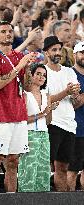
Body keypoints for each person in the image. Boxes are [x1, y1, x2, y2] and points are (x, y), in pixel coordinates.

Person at [0, 20, 37, 193]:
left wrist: (27, 68)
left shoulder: (19, 57)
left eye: (10, 31)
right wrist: (20, 65)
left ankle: (12, 199)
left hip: (18, 115)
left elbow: (27, 87)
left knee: (14, 161)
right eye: (3, 31)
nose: (8, 34)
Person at [44, 36, 80, 191]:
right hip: (52, 123)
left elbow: (75, 101)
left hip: (69, 125)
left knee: (64, 168)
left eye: (59, 49)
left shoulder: (69, 72)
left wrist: (76, 94)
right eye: (54, 50)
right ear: (46, 53)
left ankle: (62, 199)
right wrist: (66, 92)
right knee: (46, 166)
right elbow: (44, 100)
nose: (57, 53)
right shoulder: (42, 72)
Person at [18, 62, 59, 192]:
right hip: (29, 134)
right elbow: (22, 119)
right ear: (31, 75)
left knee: (43, 169)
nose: (41, 77)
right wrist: (43, 113)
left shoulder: (47, 95)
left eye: (44, 75)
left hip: (44, 134)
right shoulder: (25, 94)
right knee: (29, 169)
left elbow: (47, 121)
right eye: (38, 74)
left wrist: (50, 110)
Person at [67, 41, 84, 191]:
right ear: (75, 55)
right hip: (76, 130)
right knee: (71, 171)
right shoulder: (69, 74)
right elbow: (74, 104)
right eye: (82, 53)